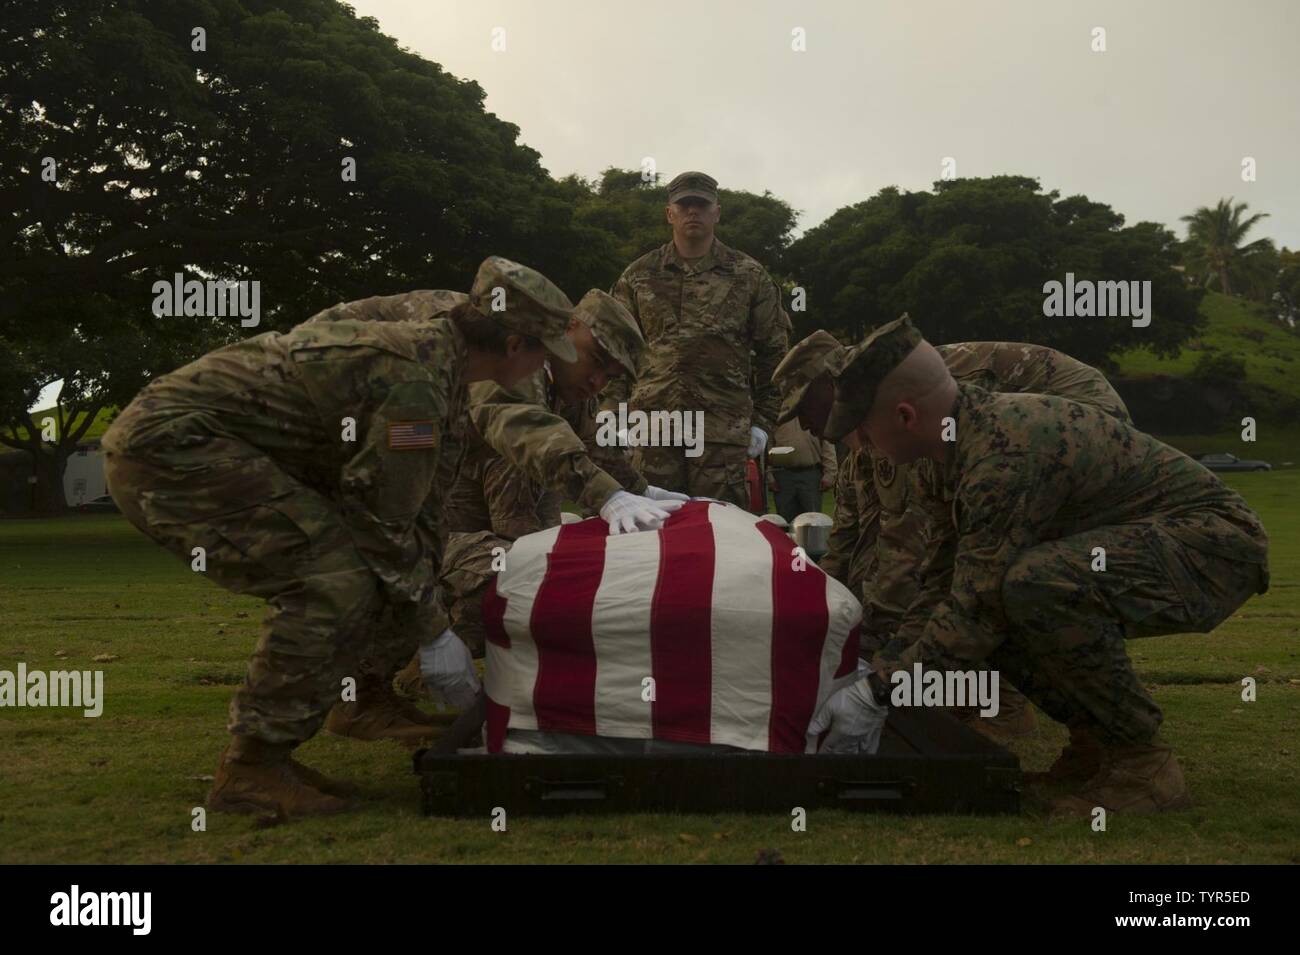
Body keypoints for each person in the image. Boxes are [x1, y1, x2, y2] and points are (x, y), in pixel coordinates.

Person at [102, 258, 644, 818]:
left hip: (228, 447)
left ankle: (293, 742)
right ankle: (250, 770)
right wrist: (435, 635)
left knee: (372, 577)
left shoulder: (447, 372)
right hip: (173, 448)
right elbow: (383, 522)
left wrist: (428, 609)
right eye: (544, 353)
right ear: (512, 345)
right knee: (332, 582)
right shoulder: (418, 382)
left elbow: (419, 512)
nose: (548, 366)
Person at [812, 316, 1270, 815]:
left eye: (862, 427)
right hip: (1153, 544)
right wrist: (881, 670)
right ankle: (1097, 747)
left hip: (1212, 546)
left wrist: (879, 691)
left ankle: (1144, 765)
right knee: (1014, 595)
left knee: (1032, 585)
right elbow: (942, 584)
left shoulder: (1002, 452)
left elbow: (976, 608)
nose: (860, 443)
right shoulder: (943, 457)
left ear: (904, 416)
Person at [415, 289, 685, 696]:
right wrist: (608, 497)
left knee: (521, 576)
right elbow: (526, 430)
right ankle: (379, 689)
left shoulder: (568, 387)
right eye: (597, 361)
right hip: (401, 503)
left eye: (610, 376)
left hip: (447, 501)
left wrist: (640, 489)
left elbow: (594, 446)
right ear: (568, 327)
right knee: (510, 575)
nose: (597, 382)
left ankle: (427, 671)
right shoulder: (516, 355)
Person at [606, 170, 790, 505]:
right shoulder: (639, 275)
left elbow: (775, 355)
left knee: (722, 529)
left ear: (716, 212)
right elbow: (613, 352)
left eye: (702, 205)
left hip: (721, 433)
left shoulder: (749, 275)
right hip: (653, 431)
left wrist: (763, 423)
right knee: (653, 529)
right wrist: (614, 418)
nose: (693, 211)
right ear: (669, 213)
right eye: (684, 204)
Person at [768, 416, 837, 524]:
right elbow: (768, 447)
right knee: (784, 520)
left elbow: (827, 445)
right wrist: (770, 477)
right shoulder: (777, 415)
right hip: (783, 476)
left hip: (811, 475)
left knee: (812, 521)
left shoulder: (817, 416)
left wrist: (830, 474)